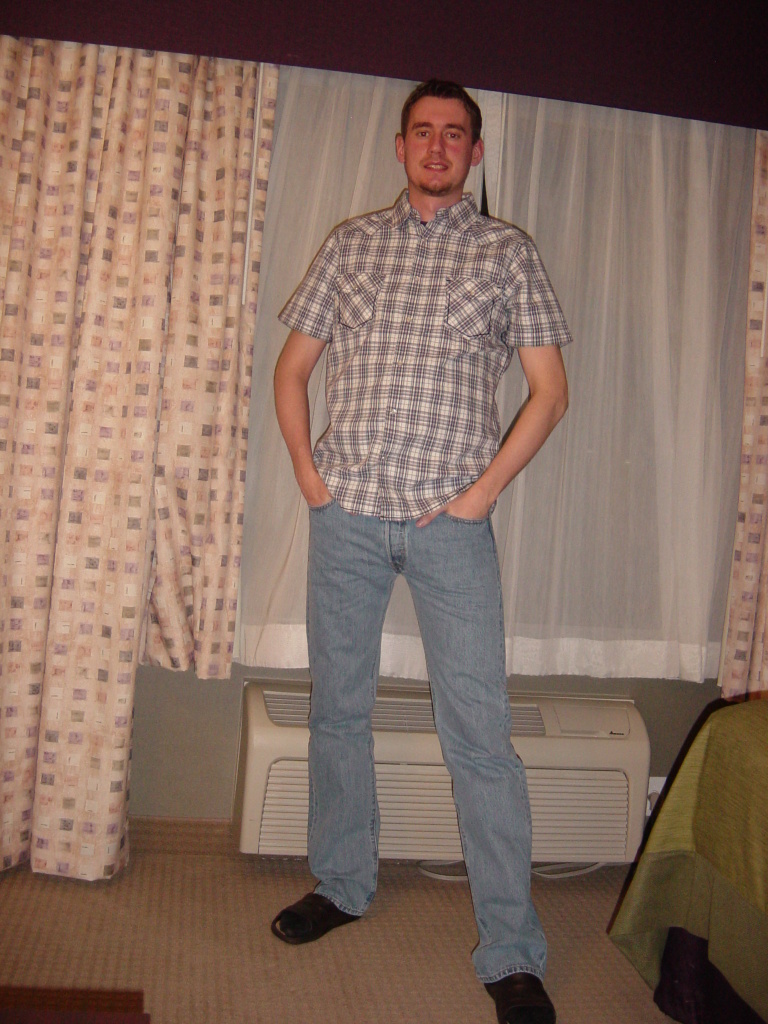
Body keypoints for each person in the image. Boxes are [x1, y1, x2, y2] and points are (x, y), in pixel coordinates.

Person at [272, 79, 571, 1024]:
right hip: (348, 517)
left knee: (480, 736)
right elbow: (291, 370)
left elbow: (550, 393)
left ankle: (511, 952)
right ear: (400, 146)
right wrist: (310, 477)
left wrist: (481, 495)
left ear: (475, 152)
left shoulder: (507, 254)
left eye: (455, 134)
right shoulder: (351, 245)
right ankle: (342, 884)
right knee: (338, 711)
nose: (437, 146)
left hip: (452, 528)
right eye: (422, 132)